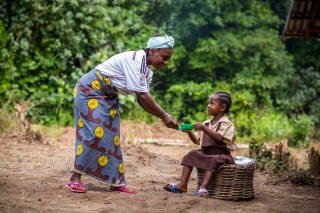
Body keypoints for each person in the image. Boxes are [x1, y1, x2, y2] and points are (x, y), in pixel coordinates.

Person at [66, 34, 178, 194]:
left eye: (168, 59)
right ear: (152, 51)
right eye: (164, 57)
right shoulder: (136, 60)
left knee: (112, 137)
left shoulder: (147, 71)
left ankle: (117, 182)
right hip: (89, 90)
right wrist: (165, 116)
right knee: (94, 133)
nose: (166, 62)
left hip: (108, 95)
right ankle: (75, 178)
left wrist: (162, 117)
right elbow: (142, 96)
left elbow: (142, 99)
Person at [164, 91, 237, 197]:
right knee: (191, 154)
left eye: (212, 104)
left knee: (213, 160)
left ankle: (203, 188)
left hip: (221, 155)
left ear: (222, 107)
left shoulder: (227, 124)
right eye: (208, 103)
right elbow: (196, 140)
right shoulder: (206, 123)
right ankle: (182, 185)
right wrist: (188, 131)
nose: (208, 106)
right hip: (206, 153)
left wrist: (204, 128)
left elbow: (219, 138)